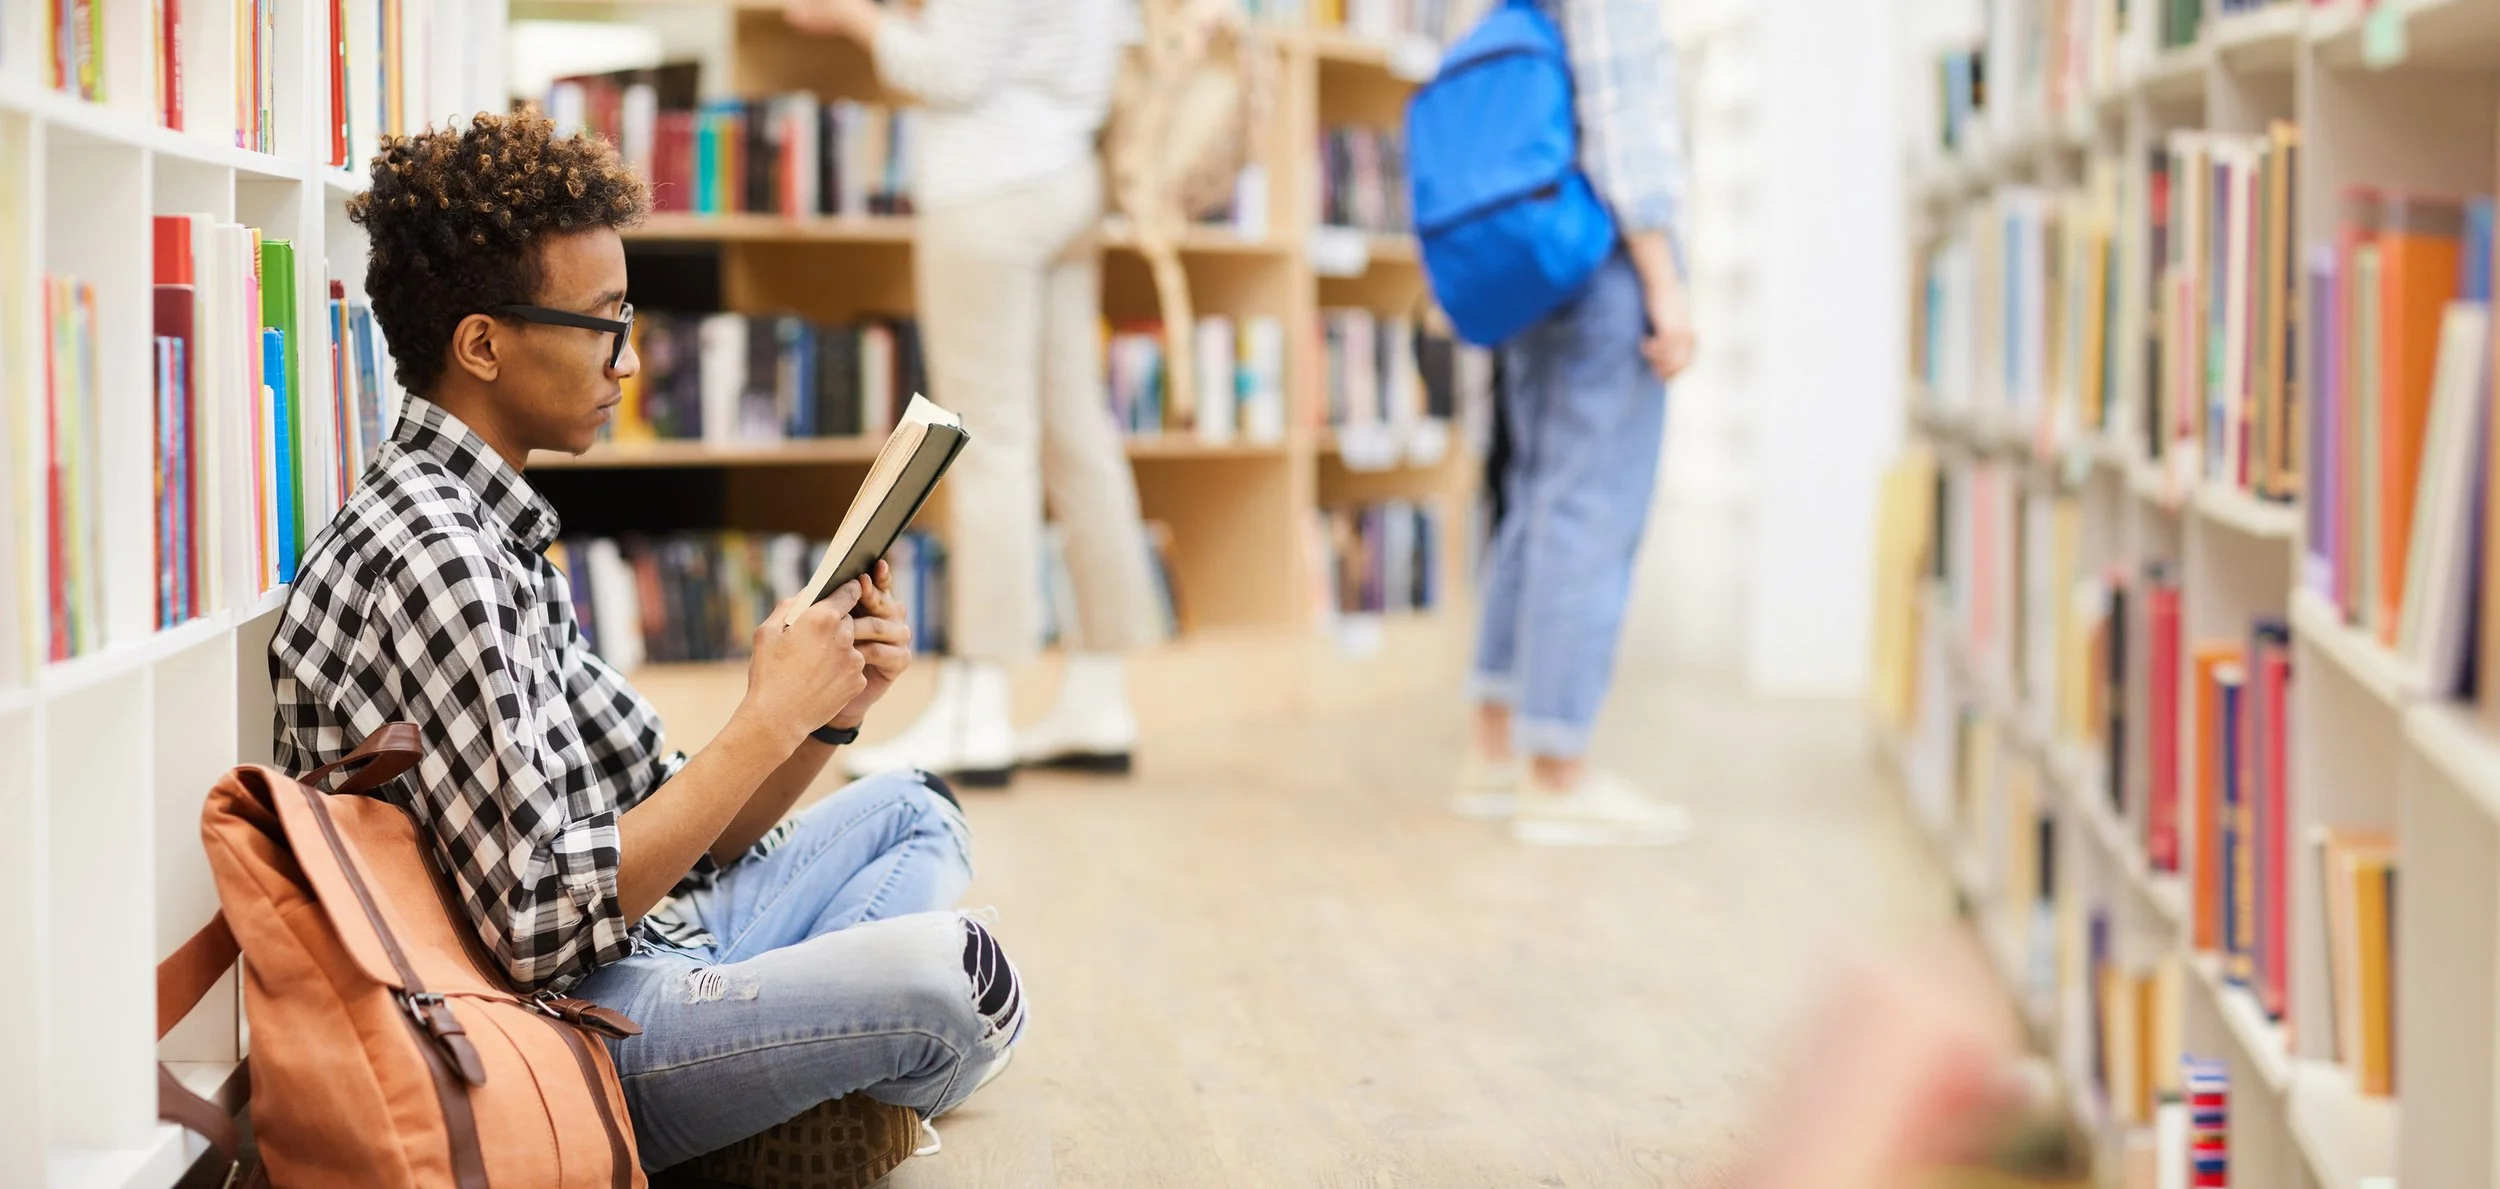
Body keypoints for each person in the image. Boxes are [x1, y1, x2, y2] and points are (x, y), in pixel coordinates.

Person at [271, 111, 1021, 1186]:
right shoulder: (439, 557)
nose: (628, 361)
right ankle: (768, 1081)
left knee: (916, 808)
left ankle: (783, 1067)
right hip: (572, 1028)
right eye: (602, 323)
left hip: (654, 941)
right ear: (483, 343)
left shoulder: (496, 526)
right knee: (952, 976)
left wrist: (826, 710)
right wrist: (765, 717)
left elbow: (693, 828)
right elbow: (535, 927)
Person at [786, 0, 1158, 787]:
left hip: (990, 189)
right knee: (1076, 435)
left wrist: (855, 18)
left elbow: (951, 71)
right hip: (1069, 182)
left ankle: (979, 703)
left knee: (989, 444)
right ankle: (1100, 693)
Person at [1454, 0, 1700, 845]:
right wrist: (1665, 283)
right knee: (1589, 508)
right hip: (1605, 258)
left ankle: (1495, 753)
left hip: (1536, 256)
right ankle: (1557, 773)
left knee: (1536, 499)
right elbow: (1622, 114)